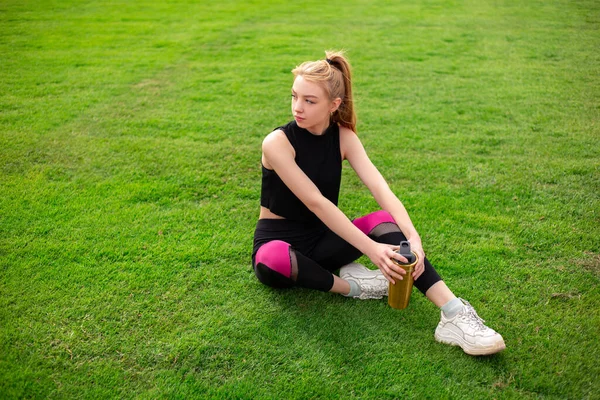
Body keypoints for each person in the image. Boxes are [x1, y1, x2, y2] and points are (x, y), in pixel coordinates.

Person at [251, 50, 505, 356]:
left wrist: (413, 238)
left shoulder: (343, 137)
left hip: (324, 240)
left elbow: (380, 188)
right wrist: (373, 251)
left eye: (309, 100)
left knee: (382, 219)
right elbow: (316, 202)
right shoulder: (276, 143)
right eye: (294, 96)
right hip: (280, 242)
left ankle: (453, 312)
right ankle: (358, 286)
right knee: (272, 258)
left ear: (334, 104)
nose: (297, 107)